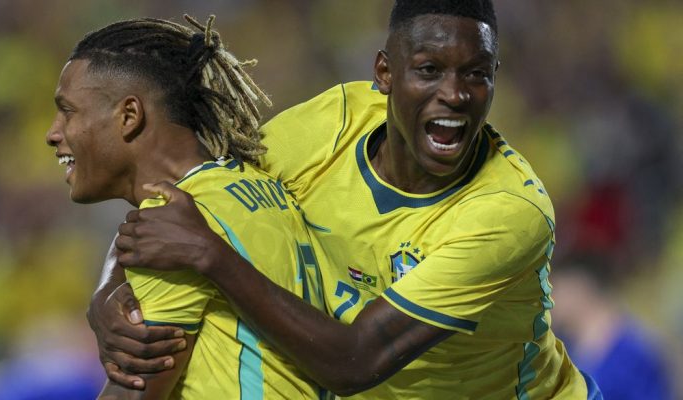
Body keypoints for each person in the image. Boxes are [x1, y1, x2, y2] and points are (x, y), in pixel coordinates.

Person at [92, 1, 603, 398]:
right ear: (384, 73)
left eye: (477, 73)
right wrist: (108, 291)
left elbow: (354, 362)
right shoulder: (329, 126)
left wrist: (212, 256)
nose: (455, 93)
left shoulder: (508, 212)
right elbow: (191, 192)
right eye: (428, 70)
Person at [46, 15, 326, 399]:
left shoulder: (173, 231)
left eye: (68, 111)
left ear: (129, 116)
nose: (53, 133)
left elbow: (130, 394)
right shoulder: (259, 187)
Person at [551, 253, 675, 400]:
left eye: (554, 291)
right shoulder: (565, 348)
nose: (549, 302)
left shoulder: (635, 353)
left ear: (580, 289)